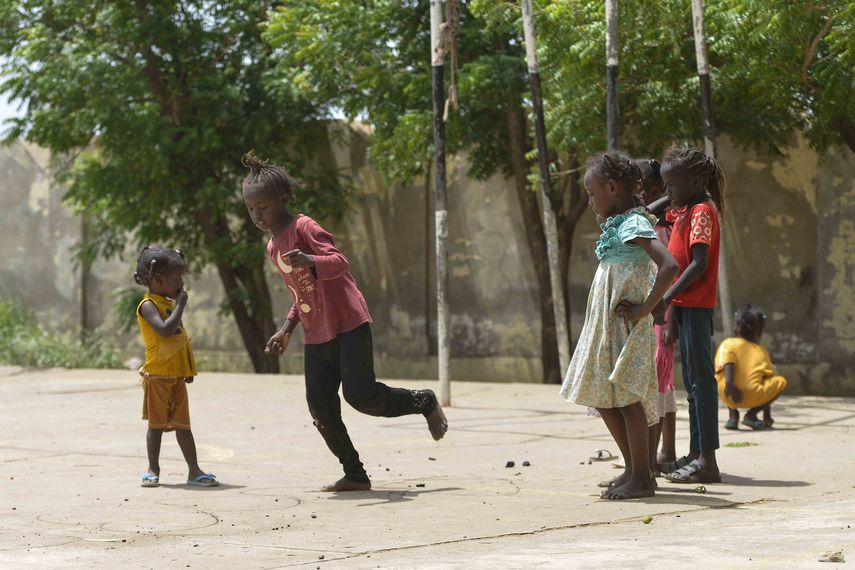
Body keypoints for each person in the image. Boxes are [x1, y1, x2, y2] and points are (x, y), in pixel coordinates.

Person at [241, 151, 448, 493]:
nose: (257, 215)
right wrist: (286, 329)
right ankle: (355, 474)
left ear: (283, 199)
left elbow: (339, 262)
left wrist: (311, 259)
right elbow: (301, 292)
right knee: (320, 408)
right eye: (251, 209)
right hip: (316, 334)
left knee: (361, 396)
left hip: (349, 323)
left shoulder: (304, 227)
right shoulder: (273, 247)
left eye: (262, 206)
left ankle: (423, 401)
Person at [560, 152, 678, 500]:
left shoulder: (634, 224)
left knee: (627, 399)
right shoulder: (623, 221)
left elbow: (669, 265)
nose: (589, 200)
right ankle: (633, 469)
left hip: (625, 327)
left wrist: (645, 309)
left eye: (591, 193)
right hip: (607, 327)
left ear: (612, 188)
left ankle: (642, 477)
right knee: (604, 396)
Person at [657, 145, 726, 485]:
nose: (668, 191)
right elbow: (652, 213)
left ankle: (708, 461)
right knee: (693, 385)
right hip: (686, 306)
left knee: (702, 383)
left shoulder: (701, 211)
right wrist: (669, 195)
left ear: (696, 181)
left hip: (696, 306)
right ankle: (696, 452)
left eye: (672, 184)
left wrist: (666, 297)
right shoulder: (686, 209)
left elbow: (699, 263)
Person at [134, 246, 218, 488]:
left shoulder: (168, 303)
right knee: (156, 426)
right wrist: (180, 305)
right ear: (159, 280)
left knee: (184, 426)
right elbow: (165, 331)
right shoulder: (148, 305)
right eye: (177, 278)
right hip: (158, 377)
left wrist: (186, 370)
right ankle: (153, 469)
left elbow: (179, 341)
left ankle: (194, 471)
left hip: (176, 377)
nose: (181, 283)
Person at [636, 159, 678, 473]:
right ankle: (664, 453)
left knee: (656, 388)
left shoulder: (658, 230)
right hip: (655, 317)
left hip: (660, 318)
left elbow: (670, 277)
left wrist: (670, 318)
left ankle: (651, 459)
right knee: (661, 387)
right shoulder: (654, 226)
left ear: (650, 191)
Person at [716, 305, 788, 430]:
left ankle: (733, 417)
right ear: (758, 330)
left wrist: (730, 384)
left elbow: (727, 363)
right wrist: (767, 416)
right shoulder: (761, 351)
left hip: (727, 393)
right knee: (780, 381)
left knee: (720, 375)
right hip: (753, 395)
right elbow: (767, 378)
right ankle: (751, 415)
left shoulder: (727, 344)